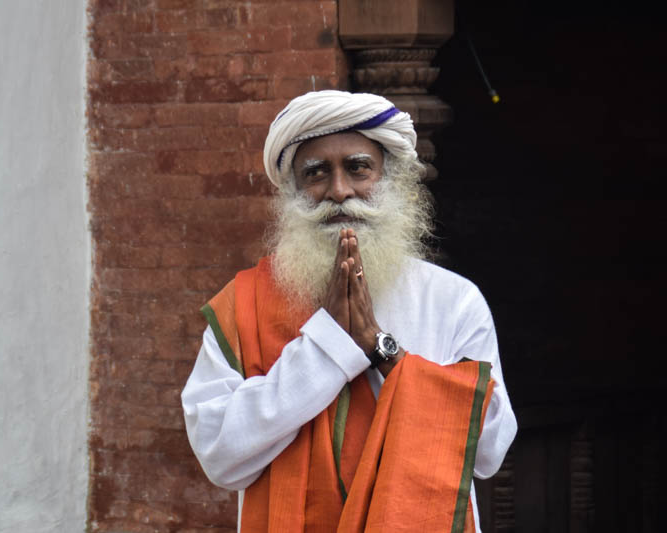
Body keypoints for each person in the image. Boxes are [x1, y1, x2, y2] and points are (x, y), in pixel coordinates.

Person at [181, 90, 517, 532]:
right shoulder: (244, 305)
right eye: (316, 173)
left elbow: (490, 449)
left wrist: (381, 349)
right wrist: (329, 345)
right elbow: (220, 455)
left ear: (389, 177)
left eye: (358, 167)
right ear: (293, 191)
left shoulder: (451, 300)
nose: (339, 191)